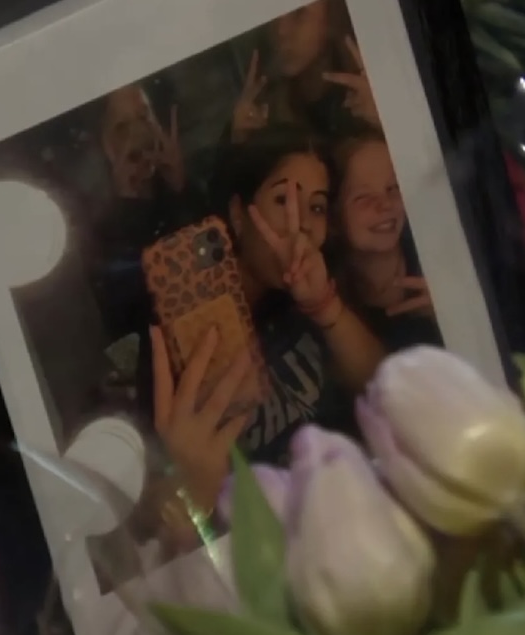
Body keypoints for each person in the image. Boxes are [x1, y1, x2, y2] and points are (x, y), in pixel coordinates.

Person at [129, 127, 386, 547]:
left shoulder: (311, 305)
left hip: (355, 516)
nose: (298, 224)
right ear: (237, 215)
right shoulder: (177, 347)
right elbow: (157, 525)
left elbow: (384, 385)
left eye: (316, 207)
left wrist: (323, 304)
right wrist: (193, 493)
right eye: (282, 200)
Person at [84, 84, 204, 344]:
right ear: (106, 146)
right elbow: (126, 327)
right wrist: (129, 204)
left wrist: (181, 188)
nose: (138, 134)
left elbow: (216, 258)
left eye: (143, 117)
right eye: (122, 128)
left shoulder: (184, 186)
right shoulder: (104, 235)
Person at [329, 129, 442, 349]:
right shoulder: (332, 297)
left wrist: (451, 315)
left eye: (393, 187)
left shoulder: (441, 257)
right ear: (333, 217)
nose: (385, 204)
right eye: (363, 197)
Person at [230, 0, 378, 143]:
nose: (281, 31)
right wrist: (240, 143)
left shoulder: (367, 85)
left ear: (331, 18)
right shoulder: (266, 104)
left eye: (298, 12)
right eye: (272, 16)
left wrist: (385, 117)